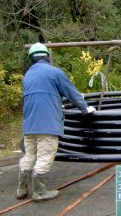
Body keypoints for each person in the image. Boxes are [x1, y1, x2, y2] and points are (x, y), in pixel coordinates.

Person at [16, 43, 96, 202]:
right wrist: (85, 109)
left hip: (29, 125)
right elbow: (71, 92)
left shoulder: (28, 76)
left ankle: (21, 189)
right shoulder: (54, 72)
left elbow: (42, 95)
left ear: (31, 58)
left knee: (30, 155)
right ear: (47, 56)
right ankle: (39, 192)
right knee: (45, 157)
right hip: (47, 125)